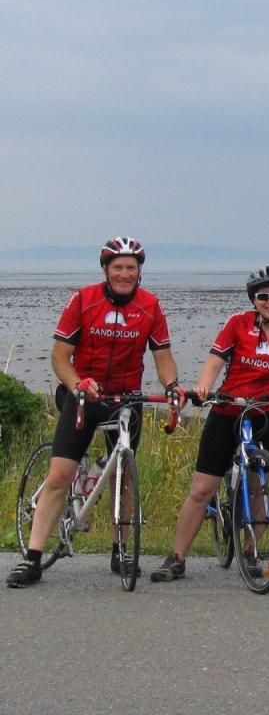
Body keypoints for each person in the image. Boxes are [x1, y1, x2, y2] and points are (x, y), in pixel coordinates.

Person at [8, 237, 179, 588]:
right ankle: (32, 558)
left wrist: (172, 386)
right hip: (84, 394)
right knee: (60, 475)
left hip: (126, 397)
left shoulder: (150, 306)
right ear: (105, 270)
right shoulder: (84, 300)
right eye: (118, 267)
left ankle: (121, 549)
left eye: (131, 268)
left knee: (123, 474)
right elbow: (60, 358)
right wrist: (78, 383)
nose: (124, 274)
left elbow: (163, 357)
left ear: (139, 272)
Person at [149, 266, 269, 582]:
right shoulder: (237, 324)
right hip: (227, 410)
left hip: (266, 413)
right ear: (254, 300)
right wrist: (204, 388)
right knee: (201, 489)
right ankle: (177, 558)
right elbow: (214, 362)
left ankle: (251, 552)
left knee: (258, 486)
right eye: (263, 296)